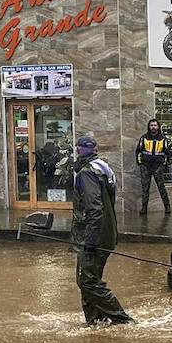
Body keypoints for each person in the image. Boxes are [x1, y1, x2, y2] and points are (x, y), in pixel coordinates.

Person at [71, 135, 133, 326]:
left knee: (87, 280)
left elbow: (94, 208)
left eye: (77, 149)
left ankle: (121, 319)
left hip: (94, 236)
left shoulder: (86, 173)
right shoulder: (104, 168)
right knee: (90, 279)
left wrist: (90, 240)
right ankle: (96, 321)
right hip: (106, 232)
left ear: (79, 150)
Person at [136, 118, 172, 215]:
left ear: (158, 127)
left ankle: (167, 207)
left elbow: (167, 153)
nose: (153, 127)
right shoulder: (143, 138)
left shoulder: (163, 139)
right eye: (151, 125)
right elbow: (138, 151)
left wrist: (164, 164)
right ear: (149, 126)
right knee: (145, 188)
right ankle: (144, 208)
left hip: (158, 166)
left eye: (155, 125)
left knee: (161, 187)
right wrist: (140, 163)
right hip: (145, 166)